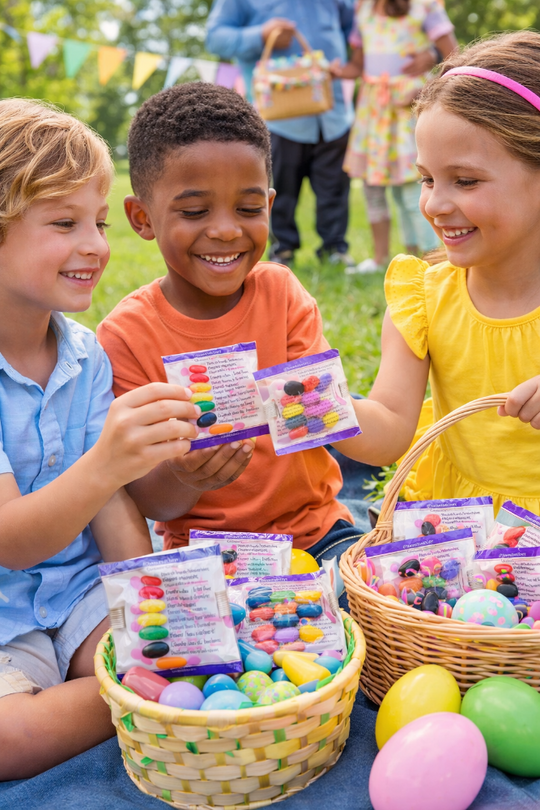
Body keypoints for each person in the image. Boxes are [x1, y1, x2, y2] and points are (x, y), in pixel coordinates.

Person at [0, 99, 200, 779]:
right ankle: (131, 703)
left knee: (177, 645)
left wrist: (149, 604)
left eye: (100, 221)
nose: (95, 244)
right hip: (4, 613)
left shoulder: (85, 354)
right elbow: (12, 539)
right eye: (64, 223)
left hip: (77, 592)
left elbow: (114, 506)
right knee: (9, 741)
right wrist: (107, 461)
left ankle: (128, 692)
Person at [97, 82, 365, 580]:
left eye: (247, 209)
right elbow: (150, 499)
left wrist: (312, 402)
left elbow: (324, 415)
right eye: (195, 211)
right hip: (209, 558)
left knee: (368, 606)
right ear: (141, 218)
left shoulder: (282, 294)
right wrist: (183, 475)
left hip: (319, 534)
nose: (225, 230)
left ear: (269, 203)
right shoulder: (126, 335)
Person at [337, 30, 540, 515]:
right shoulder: (425, 297)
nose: (434, 204)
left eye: (465, 181)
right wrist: (322, 404)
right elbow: (387, 429)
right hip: (463, 538)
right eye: (427, 178)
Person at [205, 0, 358, 268]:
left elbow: (358, 29)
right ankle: (282, 250)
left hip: (331, 109)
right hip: (277, 117)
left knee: (334, 186)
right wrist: (261, 35)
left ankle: (335, 248)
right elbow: (215, 38)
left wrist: (356, 62)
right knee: (279, 188)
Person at [331, 0, 457, 273]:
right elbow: (358, 64)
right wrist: (336, 71)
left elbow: (454, 56)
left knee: (413, 186)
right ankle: (380, 258)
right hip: (373, 109)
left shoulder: (424, 6)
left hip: (409, 109)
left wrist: (431, 69)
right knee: (373, 187)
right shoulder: (362, 9)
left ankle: (430, 258)